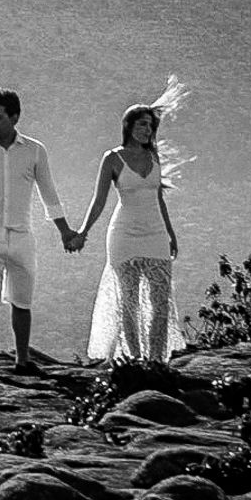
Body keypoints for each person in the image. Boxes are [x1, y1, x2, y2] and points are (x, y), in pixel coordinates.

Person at [0, 89, 79, 377]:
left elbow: (49, 193)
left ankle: (22, 361)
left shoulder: (34, 150)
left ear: (14, 117)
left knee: (23, 301)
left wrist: (64, 231)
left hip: (22, 236)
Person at [76, 80, 188, 362]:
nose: (147, 130)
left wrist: (171, 234)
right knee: (129, 303)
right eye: (141, 125)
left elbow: (159, 197)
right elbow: (99, 200)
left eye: (150, 125)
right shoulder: (112, 158)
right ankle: (135, 359)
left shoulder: (153, 156)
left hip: (156, 234)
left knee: (160, 302)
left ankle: (155, 359)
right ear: (129, 126)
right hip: (123, 235)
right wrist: (83, 232)